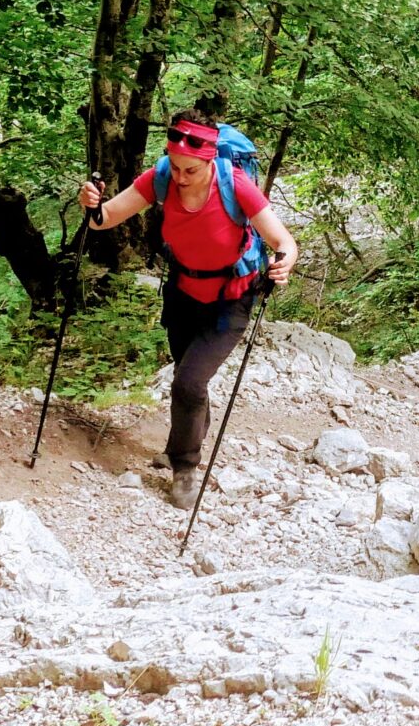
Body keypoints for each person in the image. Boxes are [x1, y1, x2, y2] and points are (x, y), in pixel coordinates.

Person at [79, 103, 298, 508]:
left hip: (231, 298)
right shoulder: (162, 175)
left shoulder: (235, 185)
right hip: (183, 293)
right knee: (187, 377)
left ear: (209, 158)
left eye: (189, 170)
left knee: (189, 382)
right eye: (175, 167)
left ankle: (184, 467)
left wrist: (282, 263)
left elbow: (284, 241)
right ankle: (184, 441)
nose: (180, 177)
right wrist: (91, 203)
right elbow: (104, 219)